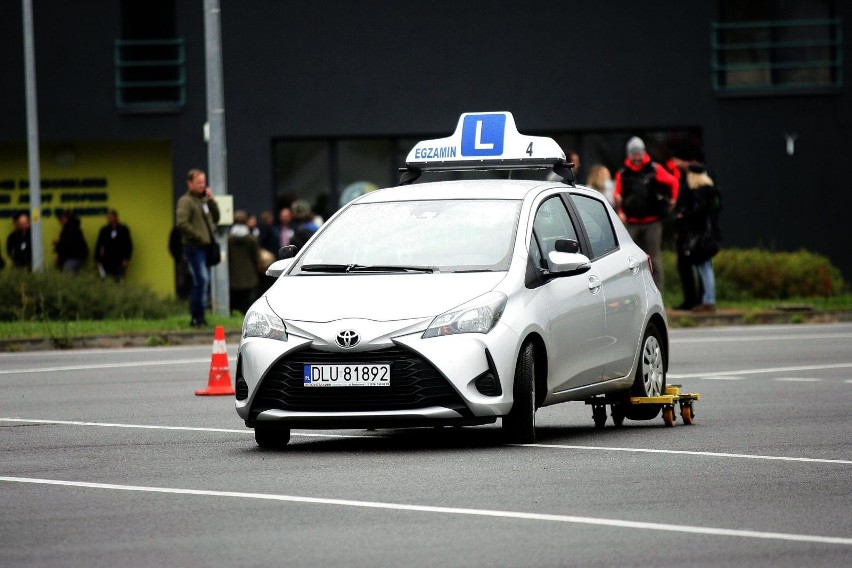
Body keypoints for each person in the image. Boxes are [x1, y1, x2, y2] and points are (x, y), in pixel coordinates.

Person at [613, 136, 679, 291]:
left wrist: (673, 201)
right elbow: (617, 195)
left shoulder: (654, 169)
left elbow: (674, 182)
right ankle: (634, 293)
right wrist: (620, 211)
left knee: (654, 261)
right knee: (630, 261)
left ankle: (658, 295)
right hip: (631, 223)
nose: (637, 157)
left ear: (643, 153)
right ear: (629, 154)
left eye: (639, 153)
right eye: (634, 154)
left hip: (652, 223)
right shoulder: (622, 173)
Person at [176, 168, 220, 327]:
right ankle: (197, 318)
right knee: (201, 280)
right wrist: (199, 237)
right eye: (199, 182)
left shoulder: (203, 201)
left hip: (204, 248)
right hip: (194, 247)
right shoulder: (185, 201)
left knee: (202, 282)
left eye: (204, 182)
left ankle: (200, 317)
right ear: (190, 183)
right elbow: (182, 223)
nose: (203, 185)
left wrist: (211, 201)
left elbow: (217, 218)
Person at [676, 163, 722, 312]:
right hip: (711, 234)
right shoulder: (712, 191)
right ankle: (707, 298)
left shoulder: (698, 193)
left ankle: (708, 299)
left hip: (701, 236)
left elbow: (698, 213)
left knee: (704, 267)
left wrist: (685, 215)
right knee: (706, 267)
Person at [227, 210, 260, 314]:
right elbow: (256, 256)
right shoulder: (251, 239)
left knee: (235, 298)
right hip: (249, 274)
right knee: (248, 302)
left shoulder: (228, 239)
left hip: (233, 274)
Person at [94, 209, 133, 282]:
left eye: (111, 217)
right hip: (106, 260)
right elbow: (99, 245)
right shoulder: (104, 230)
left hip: (120, 260)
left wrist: (127, 259)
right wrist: (97, 259)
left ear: (116, 217)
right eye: (108, 217)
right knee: (107, 281)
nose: (109, 219)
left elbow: (128, 245)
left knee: (120, 280)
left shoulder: (123, 229)